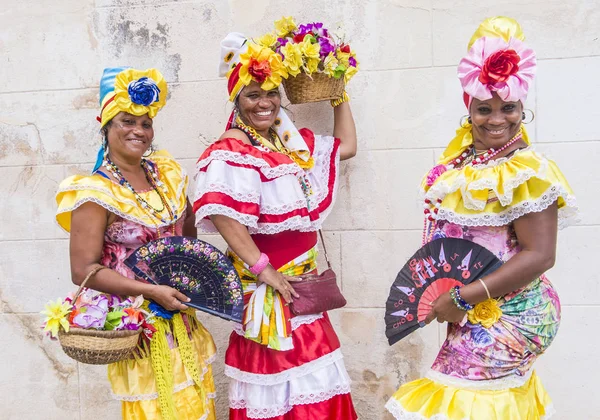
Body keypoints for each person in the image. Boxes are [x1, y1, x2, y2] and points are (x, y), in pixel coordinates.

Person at [385, 17, 577, 420]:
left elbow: (540, 256)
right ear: (468, 108)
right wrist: (456, 300)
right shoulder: (465, 163)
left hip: (514, 312)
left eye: (508, 108)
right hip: (472, 307)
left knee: (464, 404)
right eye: (483, 108)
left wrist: (458, 298)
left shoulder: (525, 170)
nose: (496, 120)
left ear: (523, 108)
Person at [193, 32, 358, 419]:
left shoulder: (286, 144)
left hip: (302, 288)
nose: (264, 102)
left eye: (270, 93)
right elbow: (222, 212)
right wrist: (261, 268)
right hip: (271, 293)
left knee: (311, 382)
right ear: (236, 101)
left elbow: (346, 146)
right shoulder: (232, 148)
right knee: (281, 384)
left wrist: (339, 91)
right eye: (252, 94)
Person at [55, 67, 216, 420]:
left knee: (196, 406)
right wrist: (151, 290)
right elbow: (83, 270)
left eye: (145, 123)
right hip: (140, 331)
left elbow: (186, 234)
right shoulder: (94, 193)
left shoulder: (167, 174)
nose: (138, 131)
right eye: (127, 121)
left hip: (183, 322)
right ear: (107, 126)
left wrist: (191, 269)